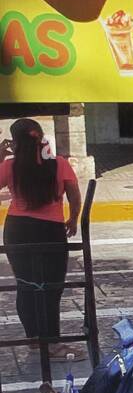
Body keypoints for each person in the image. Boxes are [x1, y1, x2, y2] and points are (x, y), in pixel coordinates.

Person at [0, 118, 81, 340]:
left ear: (14, 141)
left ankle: (34, 339)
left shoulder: (9, 166)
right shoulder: (60, 164)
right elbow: (74, 195)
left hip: (17, 230)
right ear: (41, 138)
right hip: (50, 230)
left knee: (26, 285)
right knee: (51, 287)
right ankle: (52, 342)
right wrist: (73, 219)